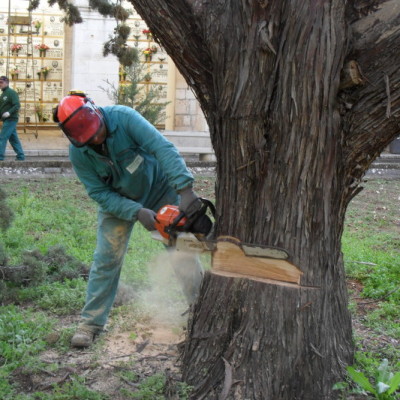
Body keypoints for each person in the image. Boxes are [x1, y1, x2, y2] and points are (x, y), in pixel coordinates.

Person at [53, 91, 204, 348]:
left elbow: (161, 147)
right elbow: (99, 192)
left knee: (181, 249)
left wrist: (185, 189)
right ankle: (91, 323)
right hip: (118, 201)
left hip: (158, 187)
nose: (97, 138)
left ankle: (202, 311)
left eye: (98, 131)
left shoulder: (124, 118)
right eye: (90, 139)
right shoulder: (79, 154)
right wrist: (135, 211)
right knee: (106, 258)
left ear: (96, 111)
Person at [0, 76, 25, 161]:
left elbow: (17, 105)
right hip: (6, 119)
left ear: (7, 83)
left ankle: (0, 157)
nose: (0, 84)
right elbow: (2, 108)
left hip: (11, 119)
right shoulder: (3, 94)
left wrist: (9, 112)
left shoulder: (11, 93)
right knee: (13, 139)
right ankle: (20, 156)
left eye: (1, 82)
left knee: (2, 137)